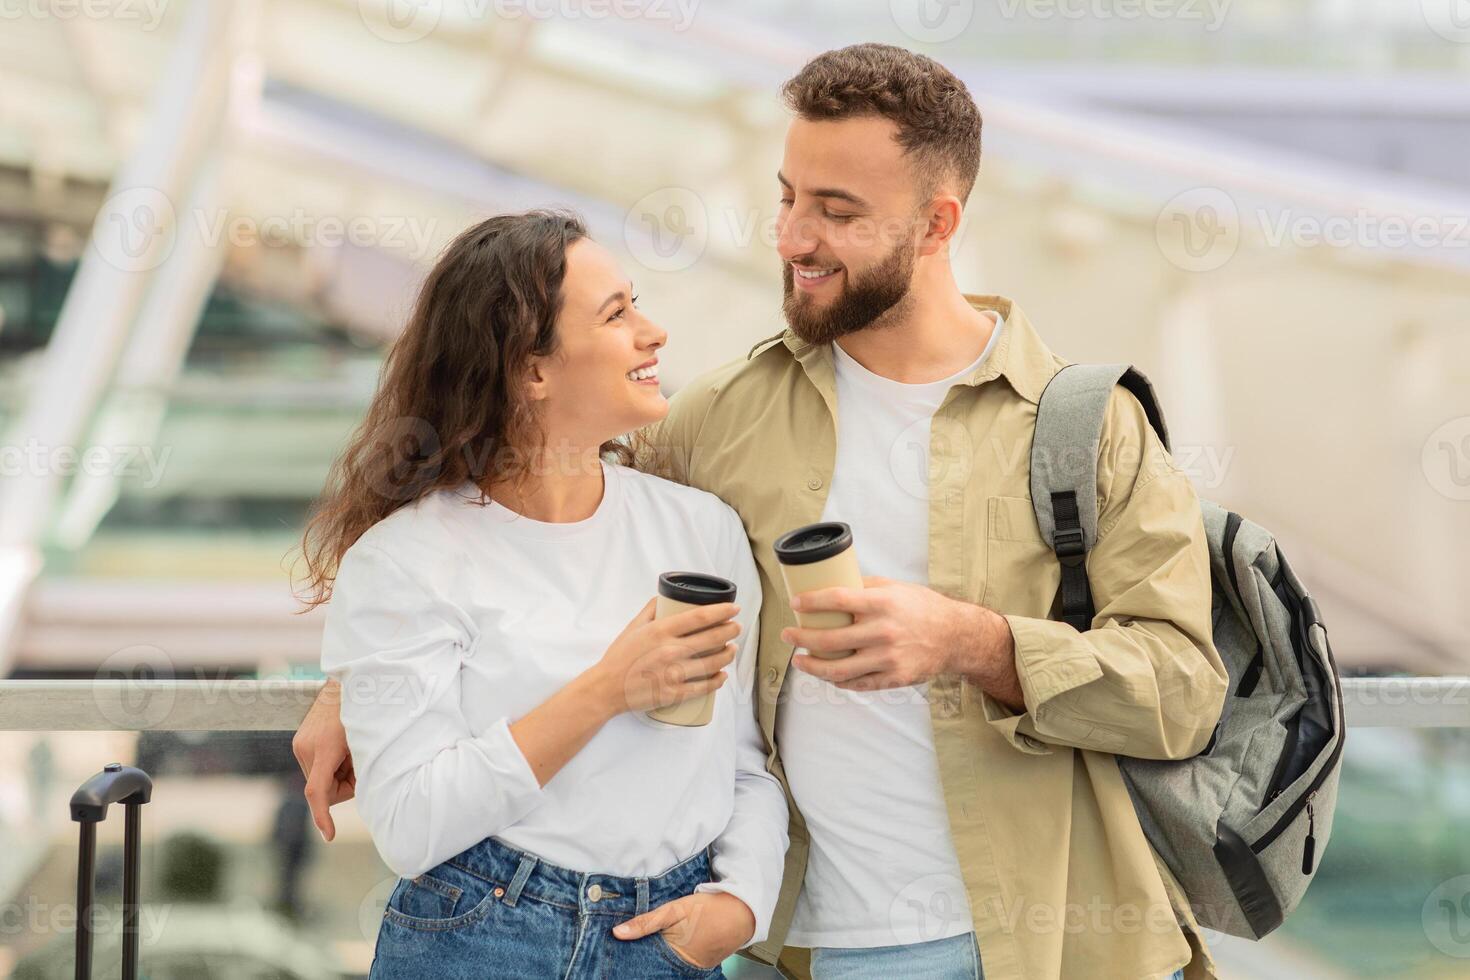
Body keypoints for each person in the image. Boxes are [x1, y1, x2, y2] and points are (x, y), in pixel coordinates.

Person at [296, 43, 1228, 980]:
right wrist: (355, 687)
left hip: (1043, 939)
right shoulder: (725, 417)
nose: (791, 237)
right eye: (789, 197)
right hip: (811, 946)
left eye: (837, 212)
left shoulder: (1086, 425)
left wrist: (972, 642)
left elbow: (1185, 691)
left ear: (937, 224)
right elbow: (531, 522)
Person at [292, 211, 788, 978]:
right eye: (617, 314)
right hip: (480, 938)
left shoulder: (704, 532)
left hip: (668, 940)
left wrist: (742, 900)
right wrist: (605, 690)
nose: (654, 333)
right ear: (531, 369)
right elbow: (408, 825)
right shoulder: (404, 561)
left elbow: (746, 763)